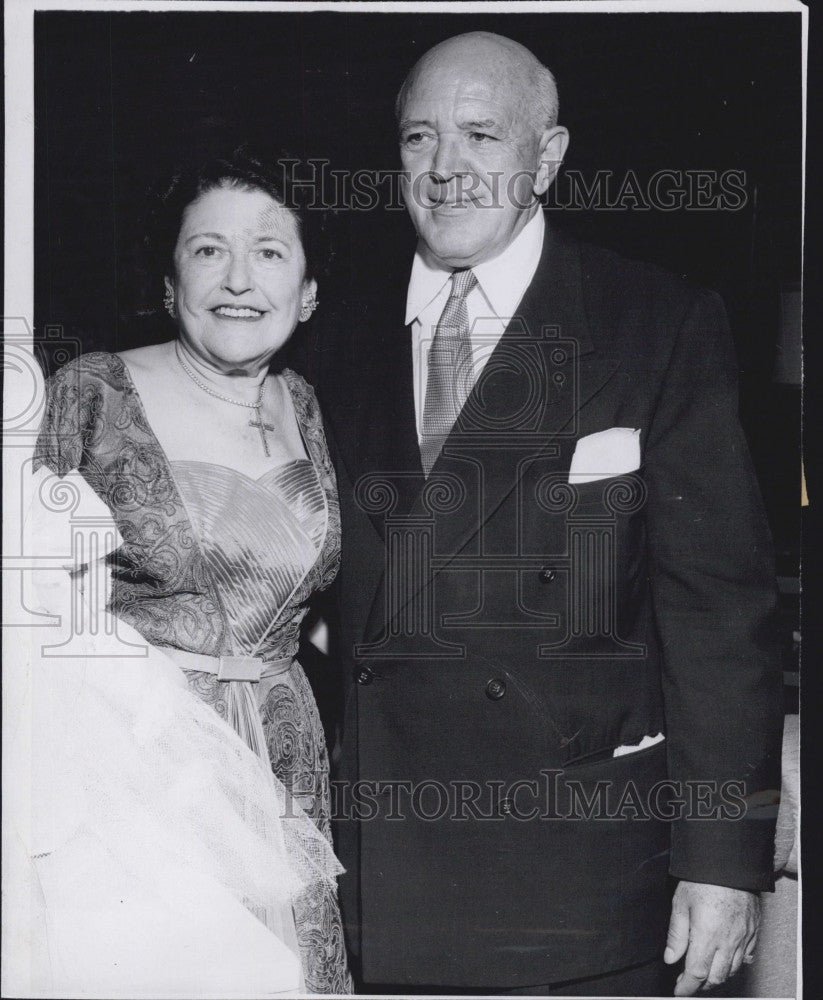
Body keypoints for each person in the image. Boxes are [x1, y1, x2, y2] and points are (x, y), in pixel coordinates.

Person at [296, 32, 784, 997]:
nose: (445, 171)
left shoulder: (654, 320)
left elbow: (718, 616)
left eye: (480, 136)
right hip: (374, 882)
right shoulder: (327, 333)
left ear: (547, 158)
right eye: (417, 139)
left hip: (580, 882)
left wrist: (723, 863)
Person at [28, 147, 352, 994]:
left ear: (308, 293)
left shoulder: (309, 407)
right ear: (170, 282)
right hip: (141, 767)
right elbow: (23, 606)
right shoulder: (91, 392)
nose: (239, 278)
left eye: (269, 252)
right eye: (209, 250)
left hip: (285, 761)